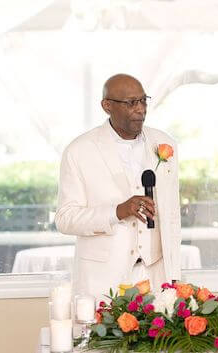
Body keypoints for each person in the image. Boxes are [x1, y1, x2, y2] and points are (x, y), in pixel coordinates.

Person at [55, 74, 181, 300]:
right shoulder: (79, 151)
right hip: (104, 279)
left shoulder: (165, 143)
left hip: (156, 276)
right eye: (132, 102)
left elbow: (172, 216)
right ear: (107, 106)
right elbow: (65, 218)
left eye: (144, 100)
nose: (141, 109)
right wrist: (117, 211)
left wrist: (173, 275)